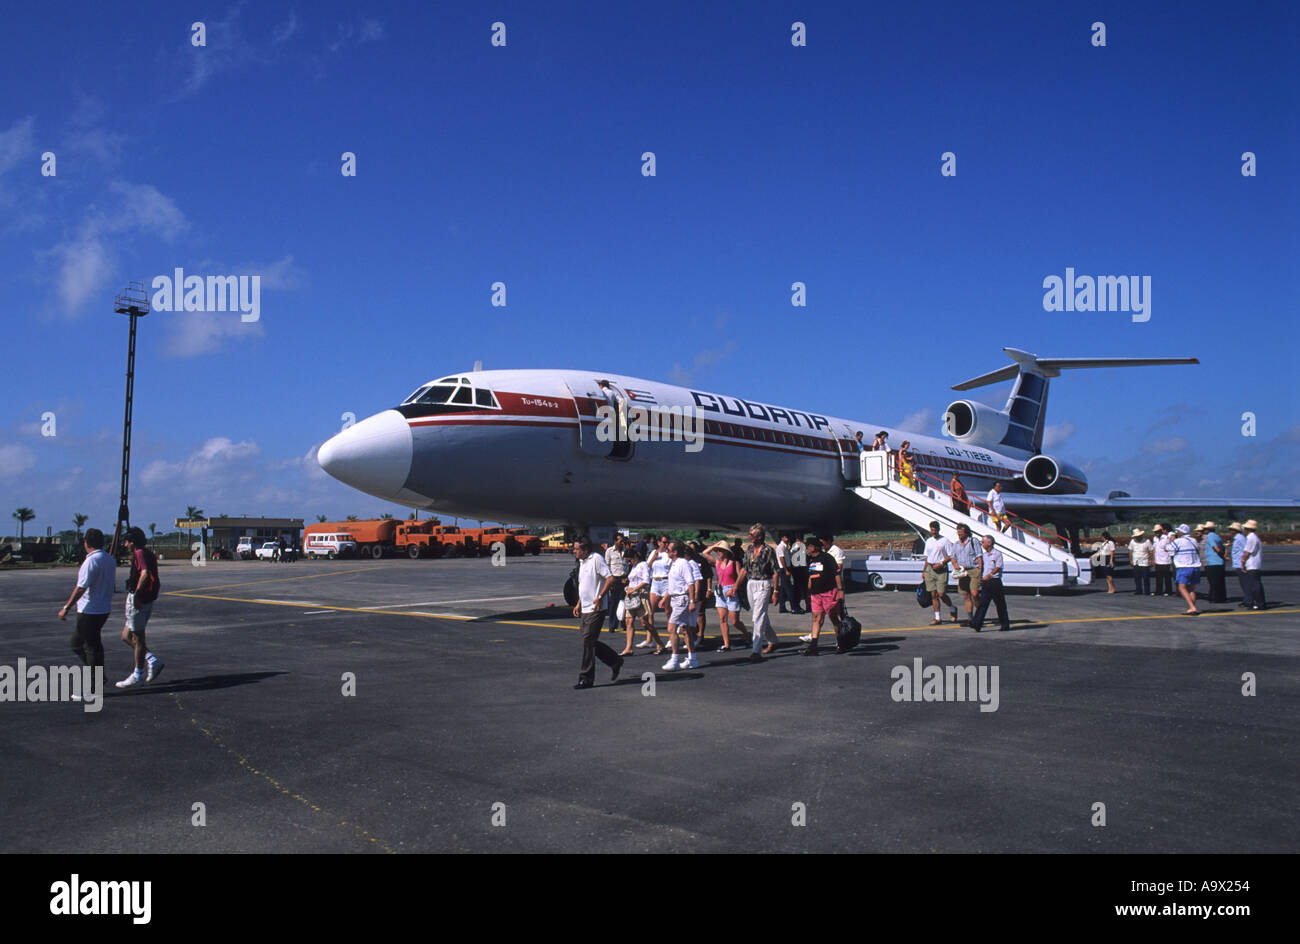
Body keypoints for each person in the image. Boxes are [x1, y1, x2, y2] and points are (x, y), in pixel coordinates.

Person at [58, 528, 114, 675]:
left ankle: (95, 683)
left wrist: (66, 607)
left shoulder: (91, 561)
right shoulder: (109, 559)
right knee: (84, 644)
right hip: (103, 608)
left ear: (86, 543)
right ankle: (98, 675)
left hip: (90, 610)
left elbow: (81, 588)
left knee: (88, 647)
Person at [571, 539, 623, 689]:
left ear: (585, 550)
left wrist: (600, 597)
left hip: (596, 608)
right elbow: (584, 585)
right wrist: (579, 603)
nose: (573, 551)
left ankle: (586, 678)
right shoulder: (582, 562)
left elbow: (611, 578)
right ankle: (615, 660)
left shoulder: (596, 559)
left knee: (588, 640)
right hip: (585, 608)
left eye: (576, 549)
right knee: (588, 641)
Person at [116, 527, 163, 688]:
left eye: (127, 542)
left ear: (132, 542)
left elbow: (144, 573)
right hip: (145, 599)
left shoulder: (140, 554)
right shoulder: (147, 553)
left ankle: (138, 674)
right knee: (126, 636)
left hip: (138, 599)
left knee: (138, 638)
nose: (124, 545)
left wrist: (136, 595)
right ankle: (152, 660)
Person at [737, 524, 779, 662]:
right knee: (759, 616)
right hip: (751, 583)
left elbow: (775, 572)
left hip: (763, 584)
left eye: (752, 535)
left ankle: (756, 650)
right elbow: (744, 569)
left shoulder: (768, 550)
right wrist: (735, 587)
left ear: (759, 537)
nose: (749, 537)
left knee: (757, 617)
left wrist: (776, 590)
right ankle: (772, 639)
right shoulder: (749, 549)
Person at [662, 542, 700, 670]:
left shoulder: (683, 564)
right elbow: (673, 585)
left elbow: (690, 583)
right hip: (675, 599)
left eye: (668, 549)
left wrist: (691, 601)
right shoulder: (674, 564)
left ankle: (674, 659)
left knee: (671, 628)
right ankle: (692, 658)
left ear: (675, 552)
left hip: (682, 600)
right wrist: (665, 598)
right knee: (685, 629)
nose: (666, 551)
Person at [800, 537, 840, 655]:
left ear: (814, 547)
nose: (807, 549)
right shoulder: (810, 560)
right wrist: (808, 594)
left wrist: (841, 590)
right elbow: (810, 578)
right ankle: (813, 646)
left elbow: (836, 574)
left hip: (828, 593)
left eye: (808, 546)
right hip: (815, 595)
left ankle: (840, 642)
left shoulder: (827, 558)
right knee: (816, 618)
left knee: (833, 618)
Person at [619, 547, 661, 656]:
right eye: (627, 561)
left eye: (630, 560)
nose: (629, 562)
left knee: (645, 623)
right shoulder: (632, 567)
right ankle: (628, 648)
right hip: (631, 597)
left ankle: (659, 643)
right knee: (629, 621)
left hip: (641, 595)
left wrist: (633, 589)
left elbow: (646, 581)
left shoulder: (643, 565)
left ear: (635, 557)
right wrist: (628, 588)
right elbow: (632, 581)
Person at [969, 535, 1011, 632]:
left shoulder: (997, 554)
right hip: (986, 582)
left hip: (994, 581)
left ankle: (1005, 624)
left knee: (1000, 604)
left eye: (983, 542)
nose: (982, 544)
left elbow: (998, 567)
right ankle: (977, 623)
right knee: (983, 603)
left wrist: (990, 574)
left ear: (989, 543)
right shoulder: (983, 556)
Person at [707, 543, 742, 651]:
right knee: (722, 619)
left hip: (731, 590)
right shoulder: (717, 562)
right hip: (720, 591)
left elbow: (741, 577)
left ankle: (746, 634)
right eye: (717, 551)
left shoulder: (734, 563)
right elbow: (705, 553)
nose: (718, 553)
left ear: (727, 552)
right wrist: (715, 545)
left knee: (735, 621)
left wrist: (734, 589)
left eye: (721, 551)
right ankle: (726, 644)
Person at [922, 520, 959, 624]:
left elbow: (950, 555)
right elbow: (927, 557)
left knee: (941, 593)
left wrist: (941, 563)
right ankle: (937, 617)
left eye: (935, 530)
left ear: (938, 529)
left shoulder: (945, 540)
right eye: (932, 530)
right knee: (933, 595)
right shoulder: (928, 541)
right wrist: (924, 571)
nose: (934, 532)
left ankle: (952, 608)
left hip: (941, 569)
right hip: (930, 568)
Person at [951, 523, 983, 622]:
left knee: (974, 593)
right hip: (962, 571)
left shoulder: (974, 542)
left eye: (961, 533)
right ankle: (970, 617)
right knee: (966, 595)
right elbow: (953, 558)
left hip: (973, 570)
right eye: (958, 533)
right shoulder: (956, 544)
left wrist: (980, 571)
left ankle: (980, 613)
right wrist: (955, 565)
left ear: (966, 533)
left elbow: (979, 556)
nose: (959, 535)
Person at [1168, 524, 1202, 616]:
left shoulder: (1178, 541)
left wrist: (1171, 541)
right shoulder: (1193, 540)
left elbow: (1168, 549)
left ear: (1181, 533)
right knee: (1191, 588)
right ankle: (1192, 607)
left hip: (1184, 567)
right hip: (1195, 566)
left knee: (1181, 587)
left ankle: (1192, 607)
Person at [645, 535, 672, 648]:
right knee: (650, 611)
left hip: (666, 581)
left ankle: (671, 638)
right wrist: (653, 558)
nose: (665, 545)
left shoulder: (669, 555)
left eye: (667, 542)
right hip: (655, 582)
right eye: (664, 542)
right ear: (659, 542)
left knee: (668, 612)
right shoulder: (654, 553)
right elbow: (647, 567)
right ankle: (649, 639)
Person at [604, 535, 628, 634]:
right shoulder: (609, 551)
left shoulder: (626, 550)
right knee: (614, 603)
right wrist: (610, 581)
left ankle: (624, 624)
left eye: (623, 541)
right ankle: (612, 625)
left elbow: (629, 564)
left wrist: (627, 577)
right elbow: (606, 566)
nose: (622, 543)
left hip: (625, 579)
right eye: (620, 541)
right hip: (615, 579)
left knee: (625, 603)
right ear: (615, 541)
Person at [1240, 520, 1265, 610]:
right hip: (1255, 564)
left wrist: (1242, 561)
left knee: (1255, 585)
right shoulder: (1255, 537)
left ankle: (1258, 603)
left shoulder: (1251, 538)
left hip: (1252, 564)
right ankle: (1260, 602)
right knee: (1256, 584)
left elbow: (1247, 552)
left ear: (1247, 529)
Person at [1202, 522, 1227, 603]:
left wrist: (1221, 555)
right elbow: (1223, 547)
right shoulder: (1217, 536)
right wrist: (1224, 557)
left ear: (1208, 530)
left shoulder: (1210, 536)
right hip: (1220, 562)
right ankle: (1222, 597)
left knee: (1214, 582)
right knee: (1220, 581)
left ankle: (1216, 597)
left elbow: (1216, 548)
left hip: (1213, 562)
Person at [1226, 522, 1248, 606]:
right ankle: (1247, 599)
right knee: (1243, 583)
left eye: (1231, 530)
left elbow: (1244, 550)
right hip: (1238, 563)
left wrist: (1243, 562)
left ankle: (1248, 600)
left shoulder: (1240, 539)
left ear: (1235, 531)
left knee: (1245, 583)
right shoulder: (1238, 538)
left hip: (1240, 564)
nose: (1229, 531)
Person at [788, 535, 808, 615]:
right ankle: (795, 606)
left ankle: (797, 606)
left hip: (800, 569)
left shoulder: (800, 547)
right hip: (797, 570)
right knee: (797, 589)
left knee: (799, 590)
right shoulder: (796, 548)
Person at [1152, 524, 1174, 596]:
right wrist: (1153, 559)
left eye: (1158, 531)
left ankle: (1168, 591)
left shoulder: (1166, 538)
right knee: (1158, 577)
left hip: (1166, 560)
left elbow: (1171, 545)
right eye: (1155, 532)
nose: (1157, 533)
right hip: (1158, 560)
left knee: (1167, 577)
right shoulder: (1154, 538)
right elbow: (1154, 549)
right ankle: (1158, 591)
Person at [1129, 528, 1152, 595]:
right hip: (1136, 561)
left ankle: (1147, 591)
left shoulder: (1147, 541)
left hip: (1145, 561)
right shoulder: (1132, 541)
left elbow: (1151, 550)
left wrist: (1151, 560)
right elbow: (1130, 551)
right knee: (1137, 577)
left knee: (1146, 577)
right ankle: (1138, 590)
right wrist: (1130, 560)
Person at [775, 533, 793, 613]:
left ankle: (782, 607)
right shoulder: (781, 547)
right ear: (782, 538)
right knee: (788, 588)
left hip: (785, 567)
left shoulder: (785, 546)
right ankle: (794, 607)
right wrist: (786, 570)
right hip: (783, 568)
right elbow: (781, 558)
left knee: (782, 589)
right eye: (785, 536)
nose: (787, 538)